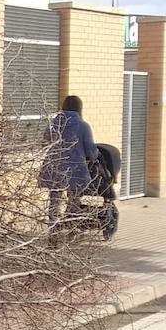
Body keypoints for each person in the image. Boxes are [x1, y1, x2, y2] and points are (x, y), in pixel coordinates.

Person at [38, 95, 98, 232]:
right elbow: (91, 151)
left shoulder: (54, 124)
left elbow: (45, 143)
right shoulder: (83, 126)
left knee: (55, 200)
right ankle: (71, 227)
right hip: (75, 168)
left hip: (54, 166)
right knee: (74, 199)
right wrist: (95, 156)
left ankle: (53, 229)